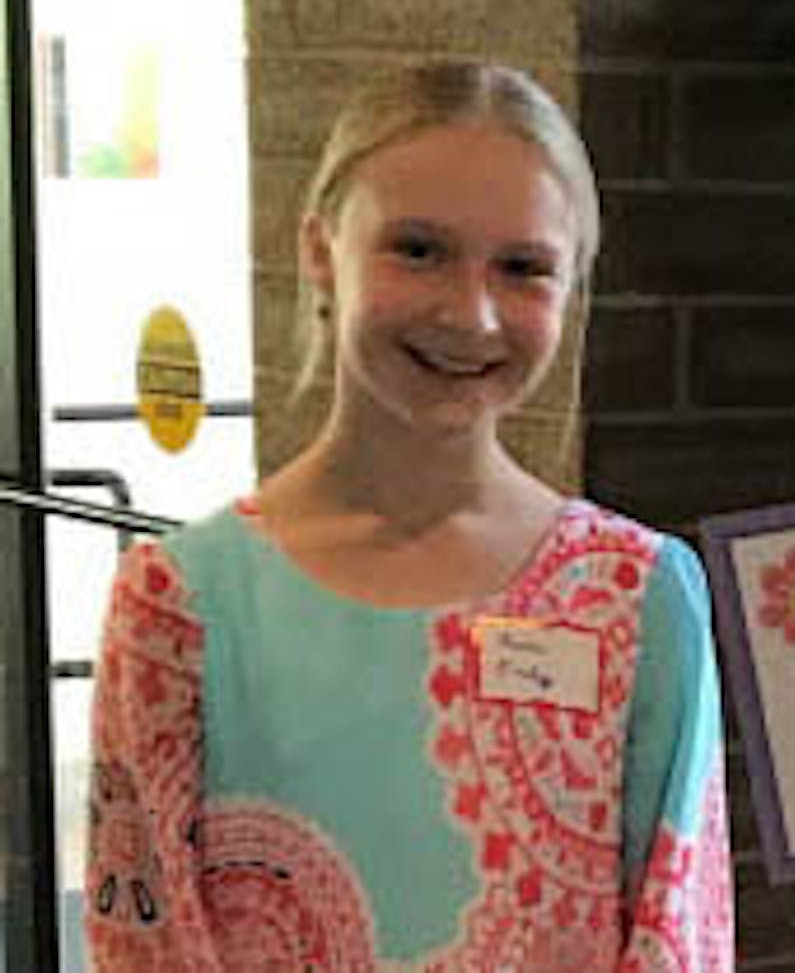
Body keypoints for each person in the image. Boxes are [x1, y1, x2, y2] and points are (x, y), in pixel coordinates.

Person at [85, 61, 733, 972]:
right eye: (417, 249)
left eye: (522, 268)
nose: (470, 314)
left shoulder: (639, 597)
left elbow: (679, 938)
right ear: (319, 248)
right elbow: (143, 944)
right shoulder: (180, 606)